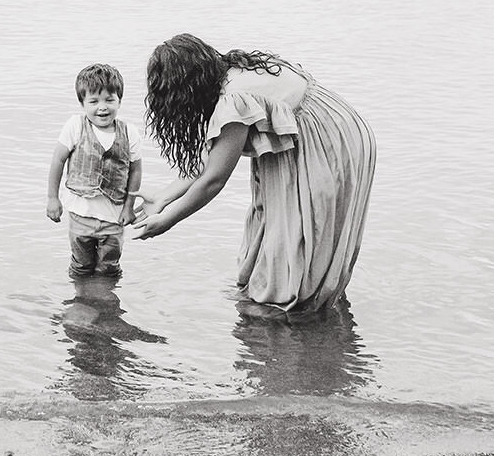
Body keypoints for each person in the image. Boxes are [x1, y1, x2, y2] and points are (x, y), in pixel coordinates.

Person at [132, 33, 375, 317]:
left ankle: (291, 309)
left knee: (300, 233)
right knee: (280, 226)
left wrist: (169, 219)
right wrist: (164, 196)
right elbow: (213, 158)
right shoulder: (234, 71)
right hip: (336, 127)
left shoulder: (233, 100)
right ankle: (307, 307)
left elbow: (213, 180)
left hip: (328, 143)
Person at [44, 63, 145, 278]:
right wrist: (53, 198)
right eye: (94, 101)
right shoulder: (75, 126)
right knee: (81, 266)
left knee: (109, 268)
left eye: (110, 100)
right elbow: (58, 161)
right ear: (82, 103)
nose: (102, 107)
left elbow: (135, 171)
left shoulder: (129, 132)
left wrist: (129, 207)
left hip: (114, 217)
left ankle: (107, 304)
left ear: (119, 100)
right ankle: (81, 300)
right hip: (80, 215)